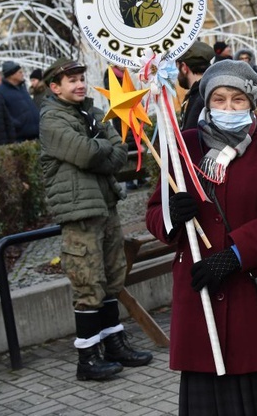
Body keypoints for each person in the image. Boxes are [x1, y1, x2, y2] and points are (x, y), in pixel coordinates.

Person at [145, 60, 257, 416]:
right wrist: (171, 216)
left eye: (237, 100)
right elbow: (153, 215)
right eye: (219, 99)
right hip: (203, 307)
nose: (227, 108)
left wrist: (236, 255)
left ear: (252, 103)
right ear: (206, 103)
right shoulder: (184, 146)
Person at [39, 58, 152, 381]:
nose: (78, 84)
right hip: (79, 211)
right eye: (70, 80)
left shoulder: (87, 113)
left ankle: (113, 343)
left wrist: (97, 149)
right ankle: (88, 358)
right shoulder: (52, 119)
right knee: (87, 279)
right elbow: (87, 153)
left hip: (105, 205)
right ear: (54, 87)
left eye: (80, 78)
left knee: (112, 276)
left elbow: (118, 154)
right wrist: (98, 149)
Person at [0, 60, 39, 141]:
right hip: (21, 138)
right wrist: (17, 124)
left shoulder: (22, 87)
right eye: (20, 72)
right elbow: (1, 115)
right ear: (12, 75)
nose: (23, 74)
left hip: (37, 134)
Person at [176, 41, 215, 130]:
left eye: (177, 67)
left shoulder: (200, 97)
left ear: (184, 67)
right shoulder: (207, 90)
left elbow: (191, 138)